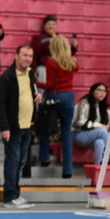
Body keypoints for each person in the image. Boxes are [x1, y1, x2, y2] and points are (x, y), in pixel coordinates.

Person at [0, 44, 41, 209]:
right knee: (12, 161)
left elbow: (29, 94)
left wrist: (37, 97)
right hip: (13, 127)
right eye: (25, 55)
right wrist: (4, 127)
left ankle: (16, 193)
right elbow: (0, 104)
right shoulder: (7, 77)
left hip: (27, 125)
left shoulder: (30, 74)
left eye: (30, 56)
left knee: (21, 161)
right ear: (16, 56)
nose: (28, 59)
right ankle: (9, 196)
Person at [38, 35, 79, 177]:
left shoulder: (51, 62)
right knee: (66, 133)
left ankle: (44, 158)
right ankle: (67, 169)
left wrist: (36, 83)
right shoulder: (72, 62)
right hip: (69, 96)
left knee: (46, 126)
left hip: (55, 96)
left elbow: (50, 84)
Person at [28, 14, 78, 88]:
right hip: (44, 69)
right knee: (43, 91)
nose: (51, 26)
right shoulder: (39, 39)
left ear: (56, 26)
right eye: (48, 24)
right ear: (44, 26)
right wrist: (33, 70)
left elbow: (66, 55)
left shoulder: (61, 39)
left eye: (53, 24)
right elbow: (34, 55)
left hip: (59, 70)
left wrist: (73, 47)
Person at [73, 82, 110, 165]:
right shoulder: (84, 103)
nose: (102, 93)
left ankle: (98, 166)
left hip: (92, 136)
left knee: (100, 142)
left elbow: (107, 125)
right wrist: (99, 126)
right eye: (99, 90)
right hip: (78, 133)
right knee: (101, 131)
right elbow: (78, 122)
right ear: (92, 91)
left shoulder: (104, 108)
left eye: (104, 91)